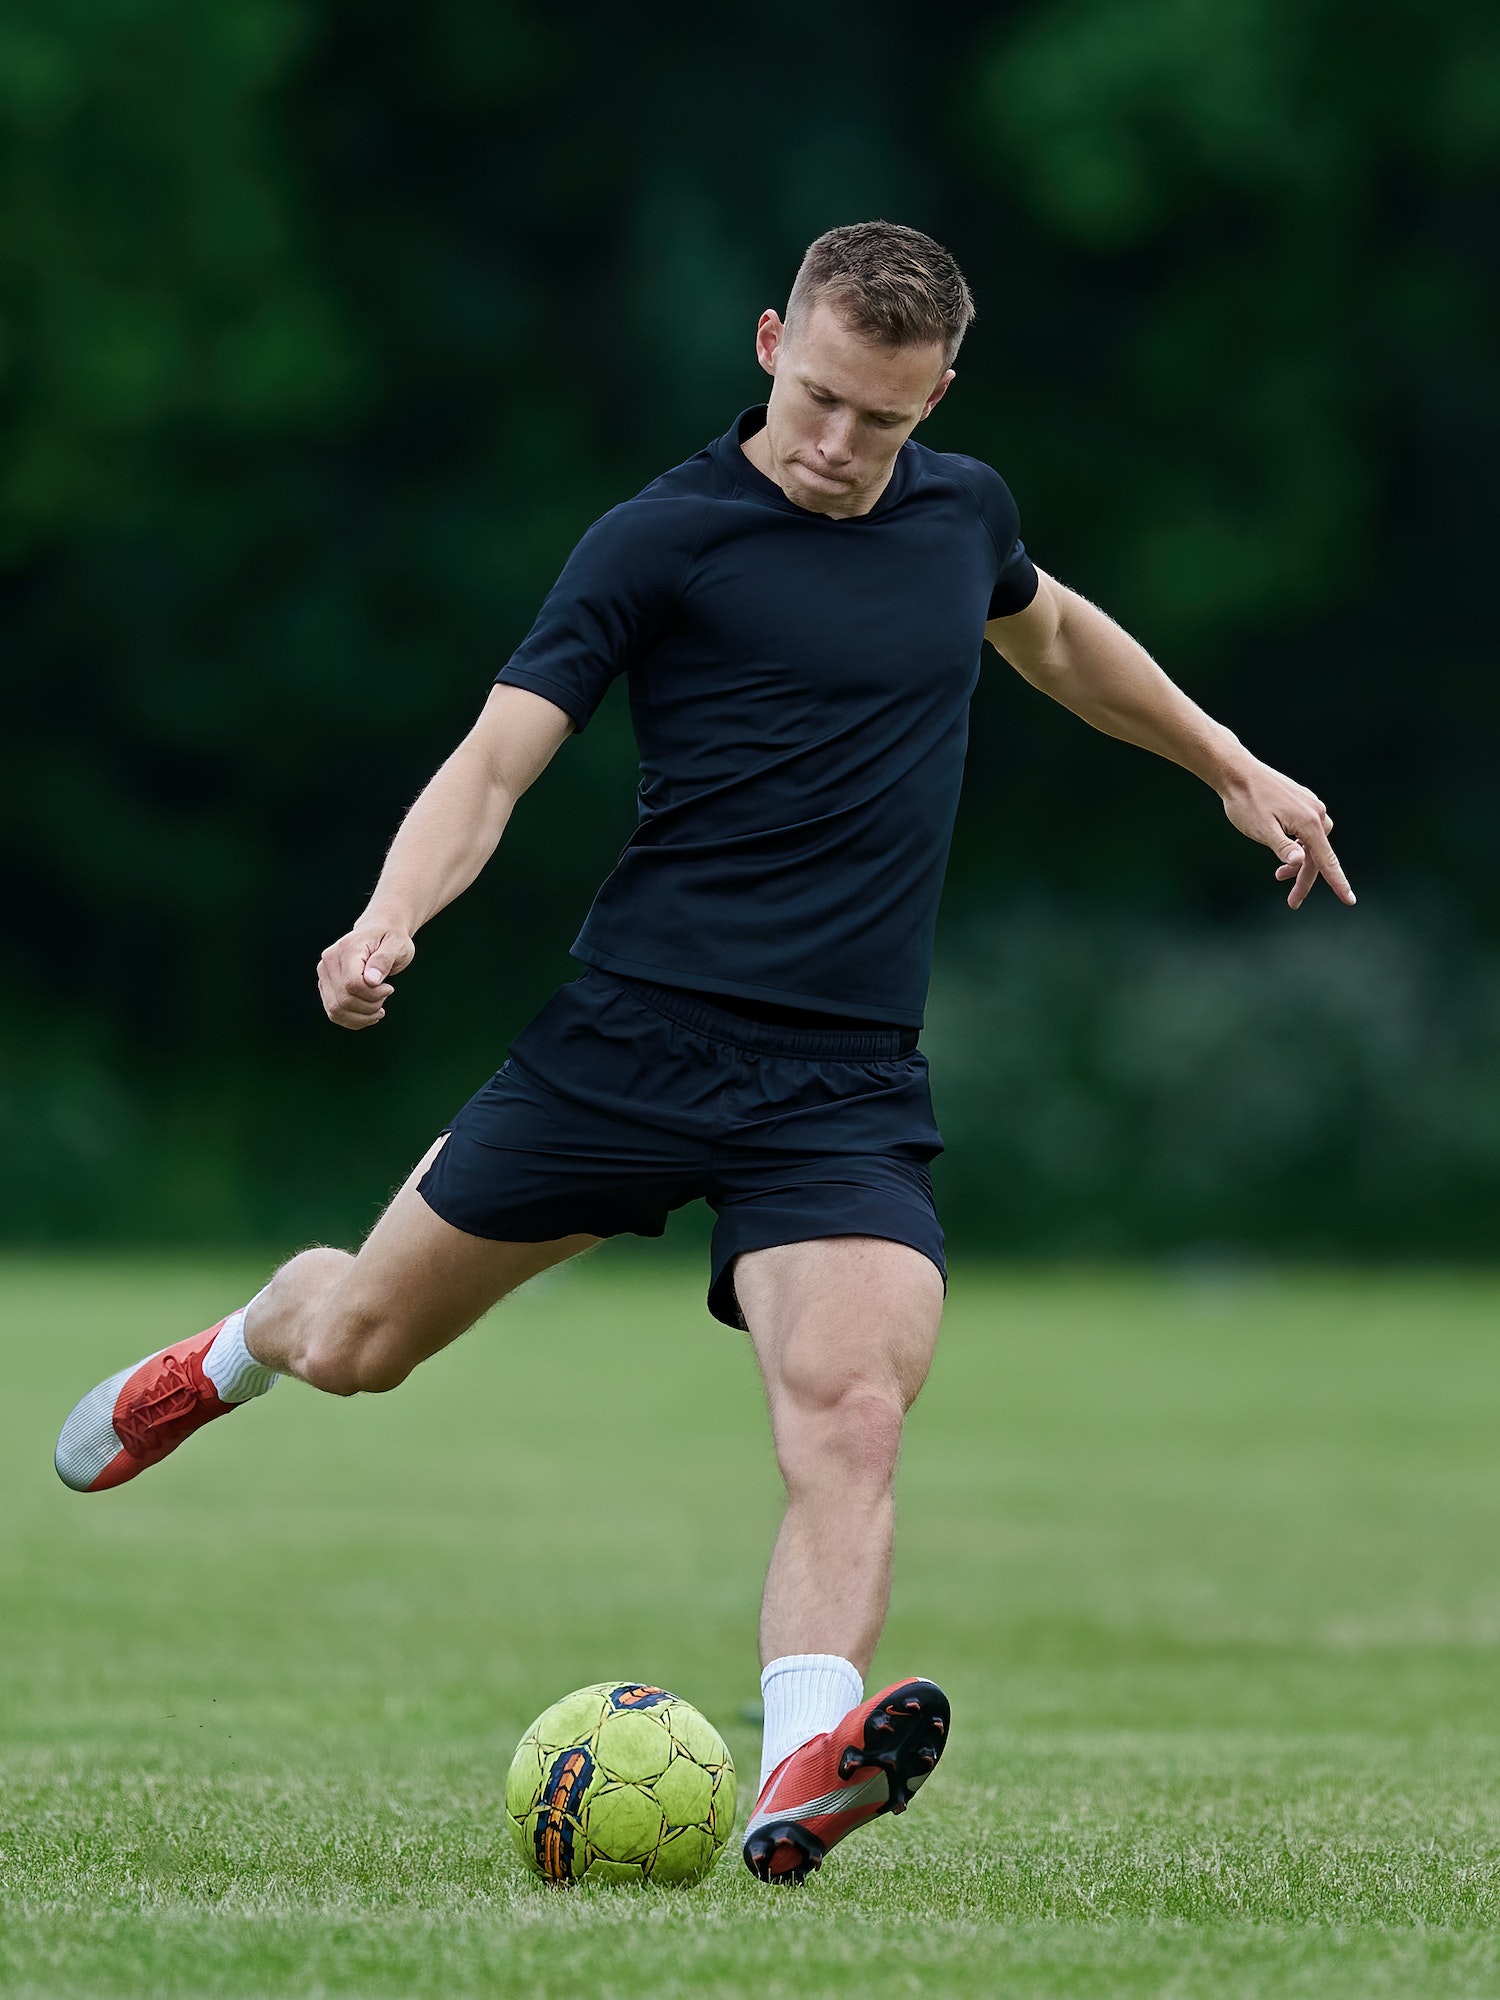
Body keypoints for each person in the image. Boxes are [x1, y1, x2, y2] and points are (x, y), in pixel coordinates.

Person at [54, 221, 1354, 1885]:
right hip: (628, 1045)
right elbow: (494, 764)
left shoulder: (964, 513)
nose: (837, 446)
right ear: (766, 344)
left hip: (840, 1086)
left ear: (937, 395)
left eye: (880, 421)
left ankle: (808, 1754)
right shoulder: (657, 541)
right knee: (364, 1341)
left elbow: (1054, 635)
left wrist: (1229, 764)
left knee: (852, 1407)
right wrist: (390, 920)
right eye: (817, 400)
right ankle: (238, 1345)